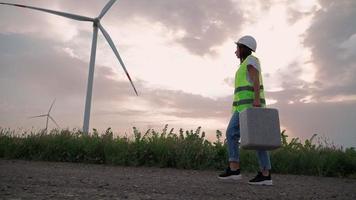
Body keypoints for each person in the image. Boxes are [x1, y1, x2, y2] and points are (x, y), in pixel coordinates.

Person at [218, 35, 272, 186]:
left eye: (237, 48)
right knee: (242, 136)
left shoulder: (251, 61)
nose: (235, 51)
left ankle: (244, 170)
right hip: (241, 108)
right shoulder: (243, 65)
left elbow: (255, 80)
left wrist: (255, 100)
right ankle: (258, 172)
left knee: (241, 135)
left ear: (244, 49)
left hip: (250, 107)